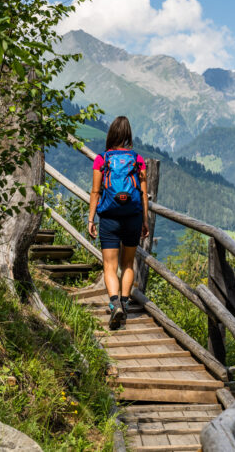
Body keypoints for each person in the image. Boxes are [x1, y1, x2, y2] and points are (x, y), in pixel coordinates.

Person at [87, 116, 149, 329]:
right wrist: (145, 221)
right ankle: (124, 302)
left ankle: (115, 305)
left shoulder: (102, 160)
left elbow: (96, 191)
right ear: (128, 135)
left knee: (110, 265)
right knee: (128, 264)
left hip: (110, 217)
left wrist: (91, 218)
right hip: (133, 216)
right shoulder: (138, 160)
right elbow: (143, 194)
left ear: (111, 134)